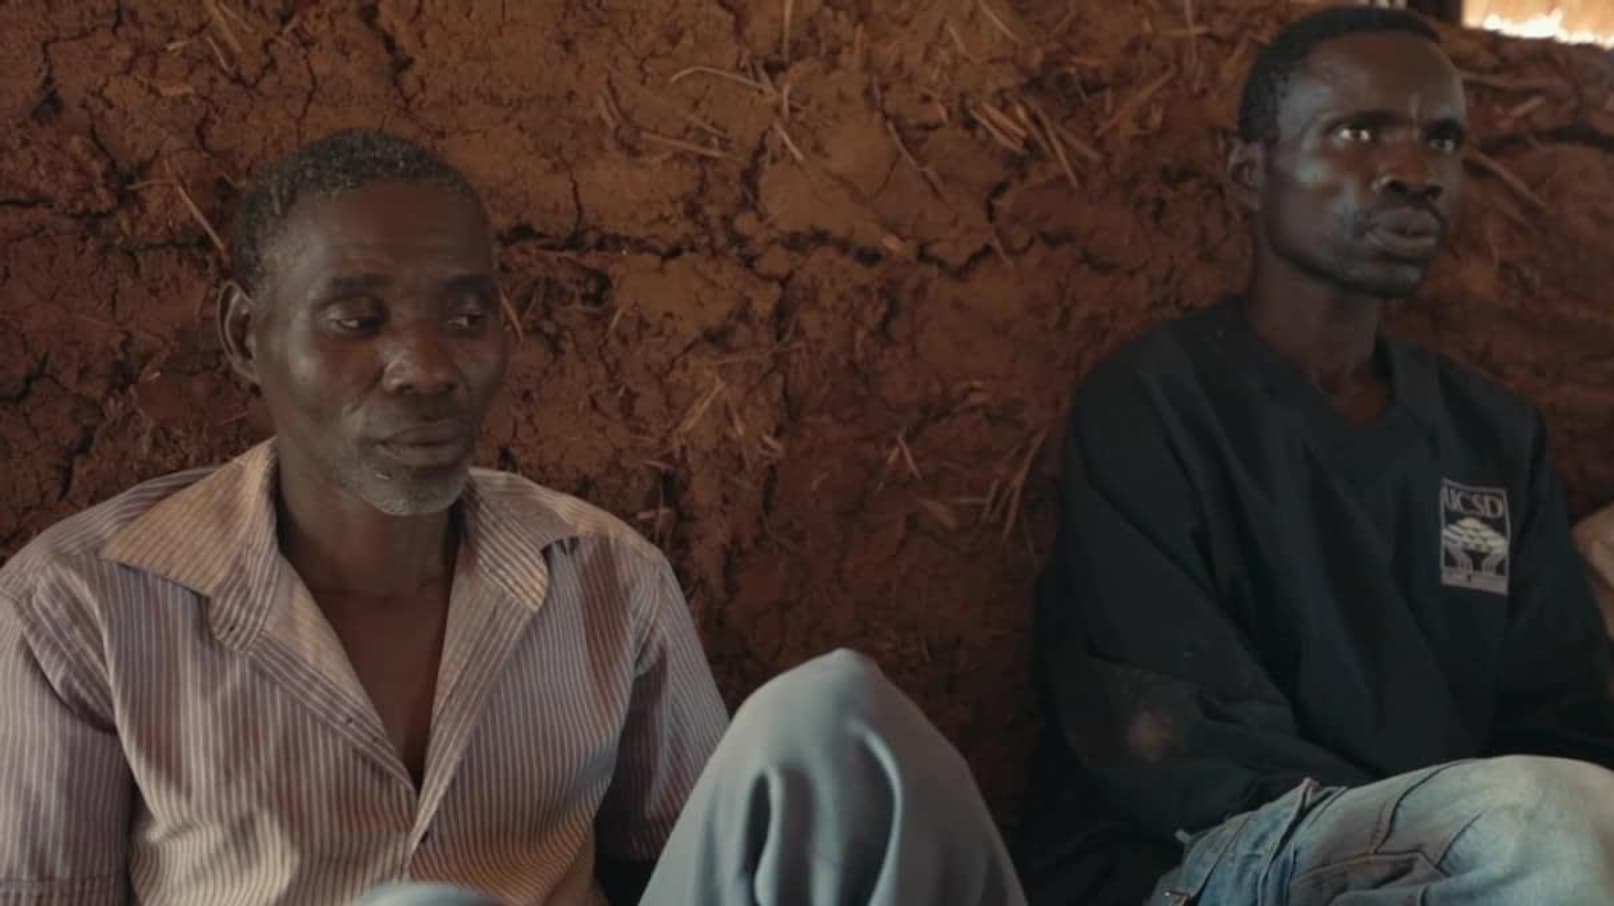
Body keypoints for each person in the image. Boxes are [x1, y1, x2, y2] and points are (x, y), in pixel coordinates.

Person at [0, 129, 1026, 906]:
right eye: (358, 320)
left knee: (838, 718)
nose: (428, 369)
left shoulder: (604, 573)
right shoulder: (80, 606)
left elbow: (687, 868)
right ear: (243, 338)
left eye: (467, 316)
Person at [1020, 7, 1614, 906]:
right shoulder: (1156, 403)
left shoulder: (1492, 434)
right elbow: (1168, 736)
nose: (1414, 171)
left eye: (1443, 141)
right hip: (1220, 857)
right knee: (1548, 826)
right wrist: (1437, 828)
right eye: (1358, 131)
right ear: (1249, 175)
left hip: (1473, 856)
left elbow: (1564, 719)